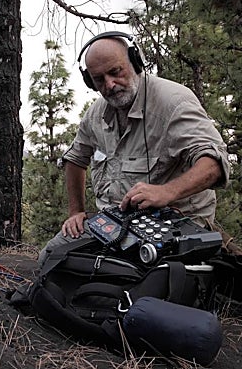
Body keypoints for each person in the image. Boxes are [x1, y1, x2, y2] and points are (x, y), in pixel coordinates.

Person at [37, 31, 230, 265]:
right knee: (50, 259)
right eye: (99, 79)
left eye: (116, 72)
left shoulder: (174, 102)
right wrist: (76, 212)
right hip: (114, 223)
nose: (109, 84)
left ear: (135, 62)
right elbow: (76, 159)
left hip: (173, 227)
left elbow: (214, 163)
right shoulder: (96, 114)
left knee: (130, 285)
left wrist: (167, 192)